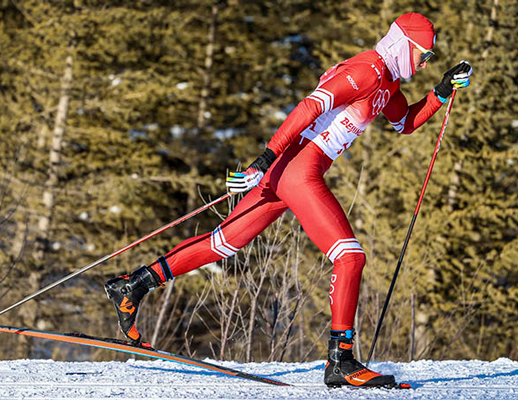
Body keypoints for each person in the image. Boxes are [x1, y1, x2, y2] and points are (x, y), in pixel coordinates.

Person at [104, 12, 472, 388]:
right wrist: (264, 158)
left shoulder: (388, 85)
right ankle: (340, 360)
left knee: (222, 243)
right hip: (297, 170)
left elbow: (405, 123)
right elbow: (311, 106)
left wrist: (441, 91)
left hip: (287, 172)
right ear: (403, 45)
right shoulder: (367, 71)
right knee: (350, 257)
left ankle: (132, 285)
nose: (425, 63)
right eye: (423, 54)